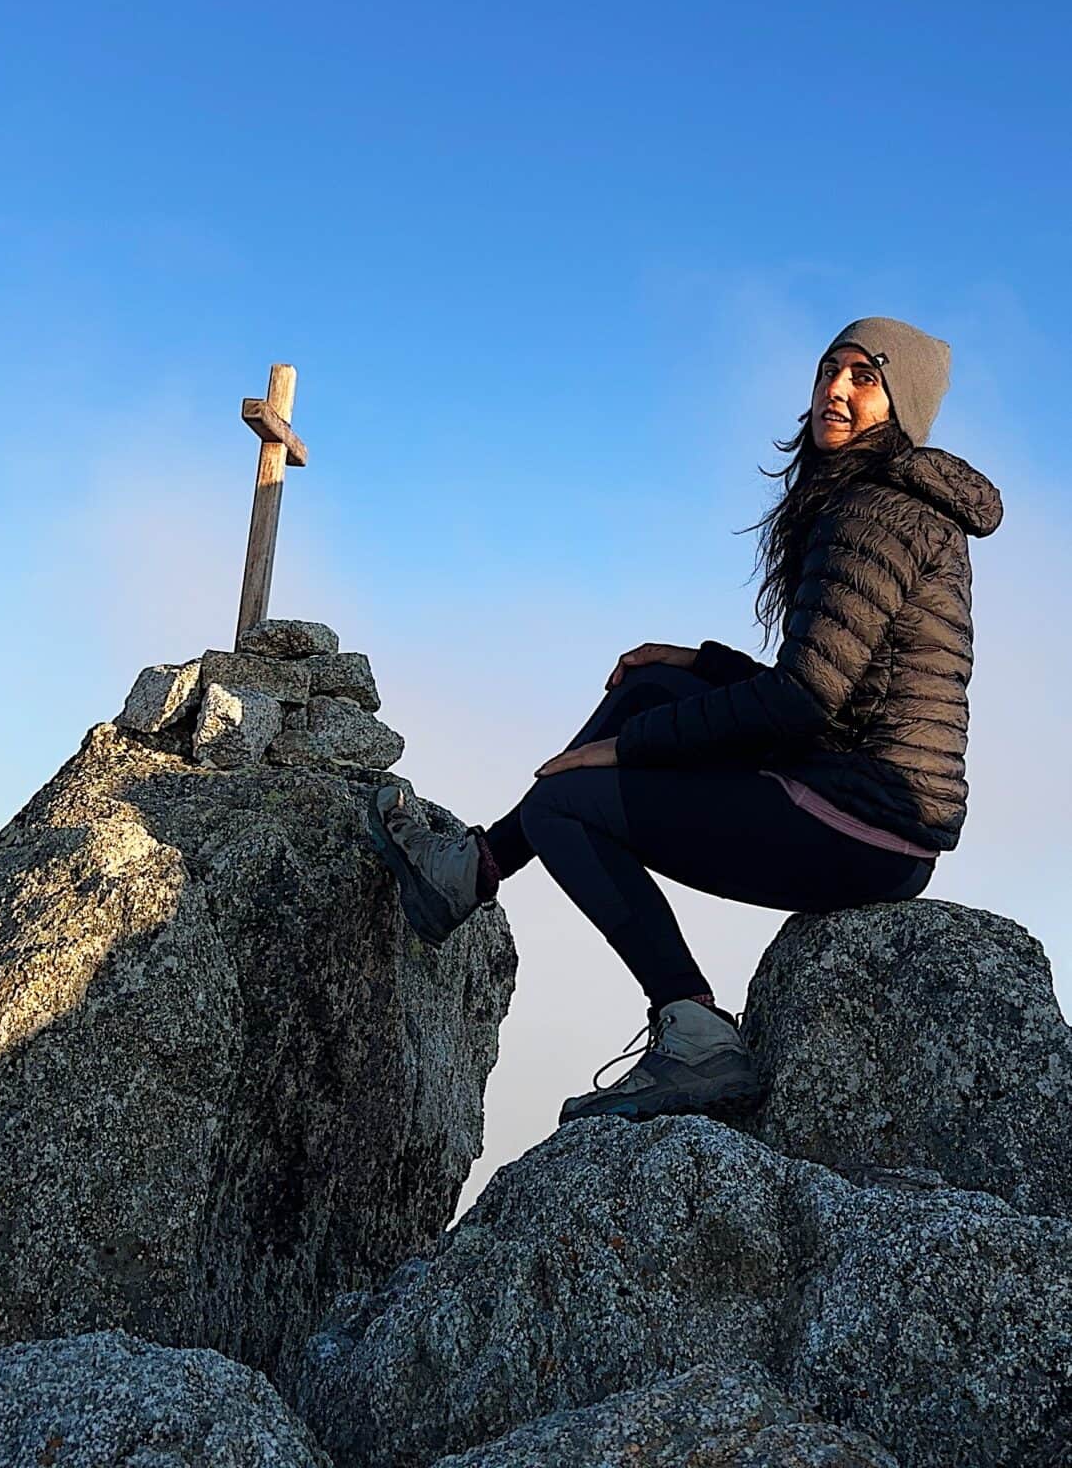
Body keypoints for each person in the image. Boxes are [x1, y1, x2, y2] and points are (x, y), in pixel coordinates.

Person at [368, 316, 1003, 1127]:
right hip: (863, 800)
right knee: (653, 683)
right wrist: (694, 665)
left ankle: (692, 1029)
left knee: (569, 803)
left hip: (861, 823)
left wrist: (619, 752)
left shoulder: (873, 512)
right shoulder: (882, 502)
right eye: (827, 370)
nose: (834, 392)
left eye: (863, 377)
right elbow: (834, 687)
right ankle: (472, 870)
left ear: (898, 404)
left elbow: (803, 701)